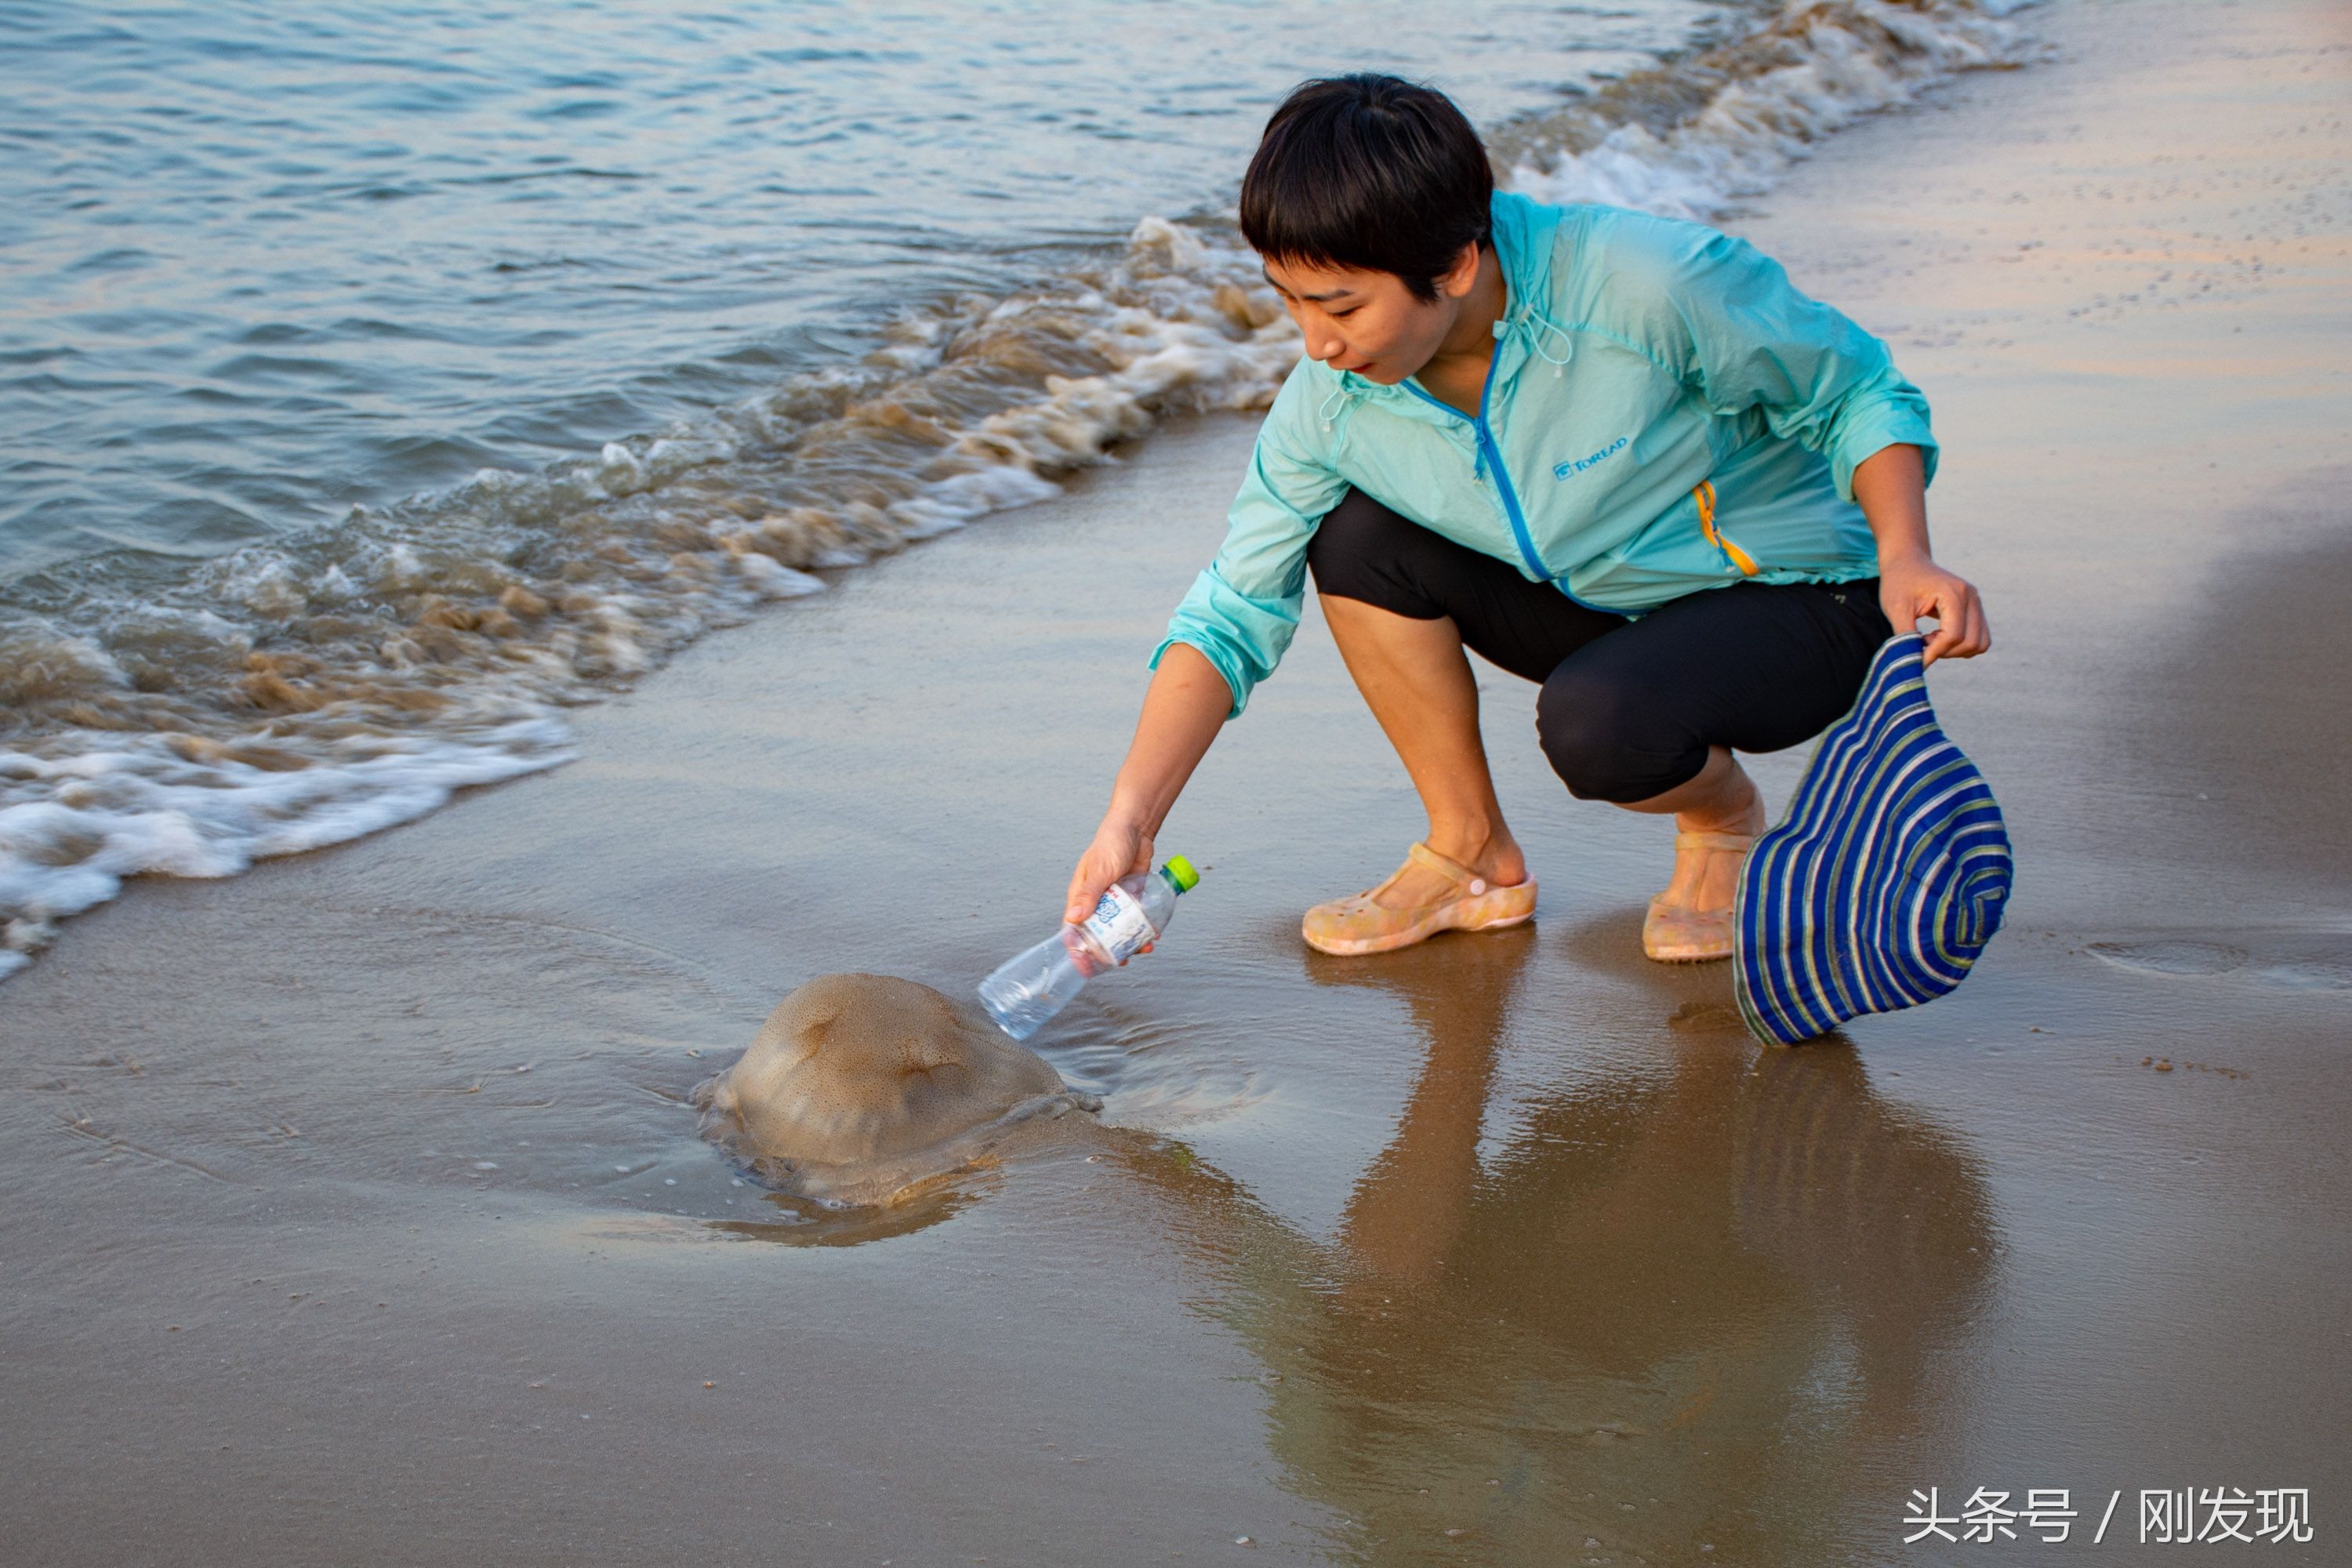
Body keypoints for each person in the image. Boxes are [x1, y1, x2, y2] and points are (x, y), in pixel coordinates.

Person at [1063, 73, 1990, 964]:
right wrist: (1129, 820)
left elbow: (1855, 391)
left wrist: (1907, 554)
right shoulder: (1333, 402)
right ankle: (1471, 852)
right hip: (1603, 595)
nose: (1316, 342)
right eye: (1290, 298)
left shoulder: (1647, 286)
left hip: (1801, 596)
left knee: (1596, 726)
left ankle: (1721, 817)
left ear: (1457, 264)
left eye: (1342, 304)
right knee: (1354, 536)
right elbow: (1232, 608)